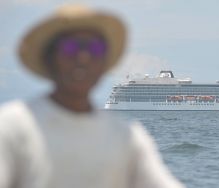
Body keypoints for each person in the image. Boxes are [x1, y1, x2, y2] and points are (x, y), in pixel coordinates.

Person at [0, 4, 184, 188]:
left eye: (96, 48)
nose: (83, 58)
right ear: (50, 57)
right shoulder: (13, 126)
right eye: (70, 47)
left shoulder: (125, 136)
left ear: (105, 62)